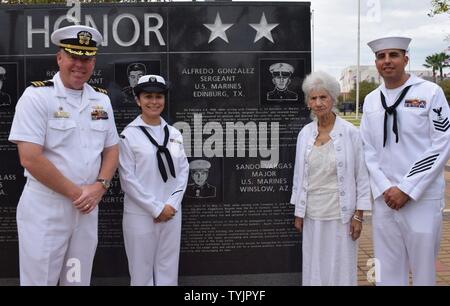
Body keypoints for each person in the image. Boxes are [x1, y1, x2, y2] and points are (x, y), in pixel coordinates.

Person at [8, 25, 119, 286]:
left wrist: (100, 187)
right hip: (46, 209)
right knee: (40, 281)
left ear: (94, 62)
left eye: (87, 58)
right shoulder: (36, 96)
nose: (80, 65)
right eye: (74, 56)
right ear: (60, 58)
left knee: (77, 279)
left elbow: (112, 148)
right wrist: (77, 193)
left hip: (86, 209)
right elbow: (30, 158)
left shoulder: (100, 101)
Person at [360, 36, 450, 286]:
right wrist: (385, 187)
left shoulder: (430, 92)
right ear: (376, 62)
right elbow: (366, 148)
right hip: (385, 199)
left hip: (421, 198)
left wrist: (406, 188)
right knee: (387, 273)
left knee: (423, 274)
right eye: (381, 56)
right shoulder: (370, 100)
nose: (387, 61)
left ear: (406, 59)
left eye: (393, 55)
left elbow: (441, 143)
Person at [290, 71, 371, 286]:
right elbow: (299, 176)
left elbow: (361, 176)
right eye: (313, 98)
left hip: (341, 214)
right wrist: (299, 212)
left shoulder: (350, 133)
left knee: (340, 268)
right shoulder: (305, 134)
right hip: (312, 213)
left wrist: (359, 215)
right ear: (308, 101)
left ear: (333, 98)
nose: (318, 103)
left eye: (323, 97)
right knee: (314, 266)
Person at [119, 74, 189, 286]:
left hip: (171, 212)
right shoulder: (128, 136)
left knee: (168, 269)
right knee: (141, 273)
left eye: (159, 96)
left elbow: (183, 172)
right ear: (138, 100)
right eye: (148, 96)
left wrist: (170, 205)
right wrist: (156, 208)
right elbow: (127, 179)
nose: (154, 101)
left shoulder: (175, 133)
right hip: (141, 214)